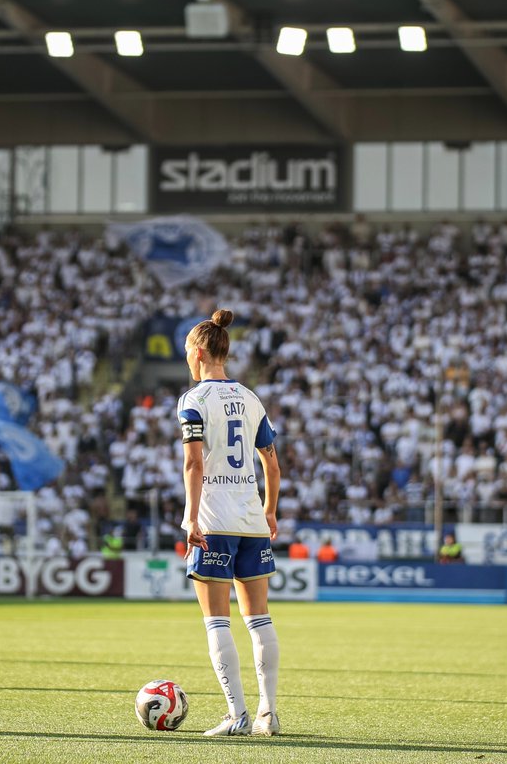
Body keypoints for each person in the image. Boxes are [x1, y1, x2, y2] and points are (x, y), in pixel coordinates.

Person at [179, 309, 282, 737]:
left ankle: (237, 715)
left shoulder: (194, 400)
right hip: (251, 519)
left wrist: (189, 516)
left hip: (214, 520)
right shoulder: (251, 397)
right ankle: (268, 713)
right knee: (259, 618)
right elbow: (272, 466)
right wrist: (270, 509)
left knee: (216, 621)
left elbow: (193, 463)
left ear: (199, 352)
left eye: (188, 352)